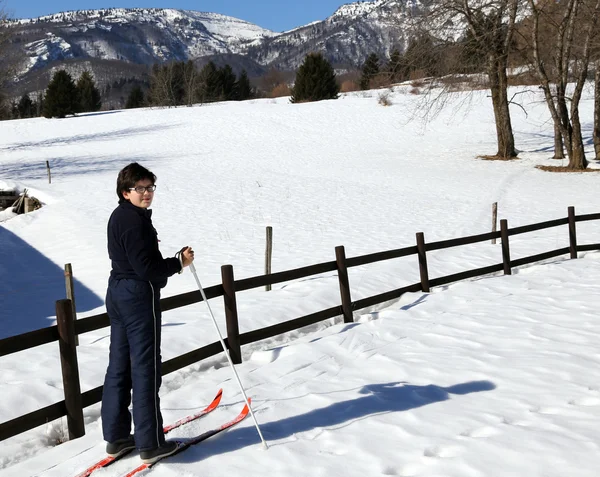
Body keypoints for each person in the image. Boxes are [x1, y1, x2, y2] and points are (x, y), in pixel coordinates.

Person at [101, 162, 194, 464]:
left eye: (150, 187)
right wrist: (177, 263)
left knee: (119, 366)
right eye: (139, 189)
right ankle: (150, 443)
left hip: (118, 292)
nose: (146, 194)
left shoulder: (120, 216)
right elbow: (147, 268)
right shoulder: (134, 221)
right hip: (138, 297)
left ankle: (116, 437)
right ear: (125, 191)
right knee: (145, 368)